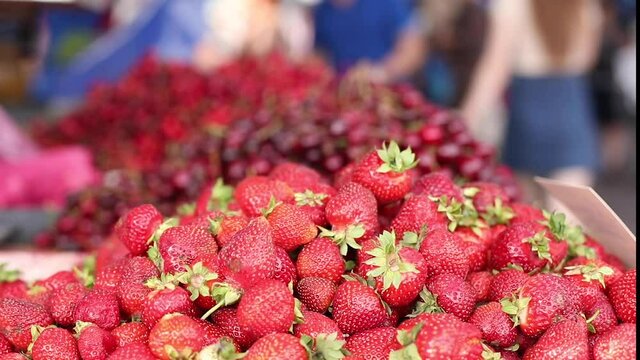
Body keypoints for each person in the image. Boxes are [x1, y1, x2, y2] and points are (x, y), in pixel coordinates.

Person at [461, 0, 604, 209]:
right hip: (571, 106)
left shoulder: (511, 5)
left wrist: (466, 118)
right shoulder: (585, 4)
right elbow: (588, 58)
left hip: (528, 109)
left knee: (528, 218)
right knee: (568, 224)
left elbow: (495, 66)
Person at [313, 0, 425, 83]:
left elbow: (413, 50)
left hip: (390, 92)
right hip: (344, 95)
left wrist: (382, 73)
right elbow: (320, 55)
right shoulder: (322, 11)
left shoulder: (387, 3)